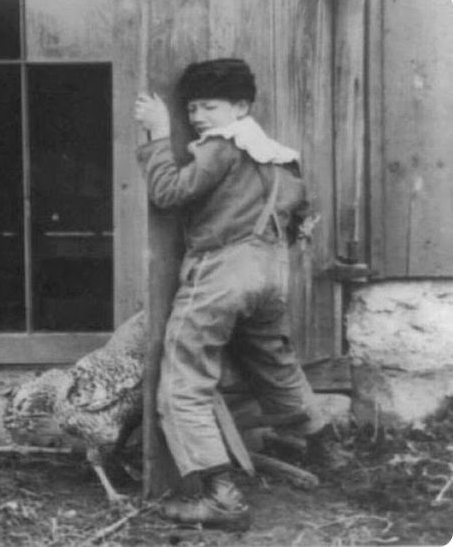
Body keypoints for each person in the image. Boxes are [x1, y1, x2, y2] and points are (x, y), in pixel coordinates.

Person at [134, 58, 336, 531]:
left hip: (222, 272)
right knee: (274, 363)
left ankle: (220, 497)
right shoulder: (280, 155)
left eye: (209, 107)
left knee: (184, 378)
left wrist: (160, 135)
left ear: (241, 107)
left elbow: (168, 192)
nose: (199, 117)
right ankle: (325, 445)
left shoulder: (221, 147)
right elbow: (300, 215)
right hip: (269, 272)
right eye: (191, 109)